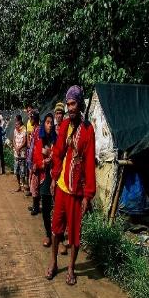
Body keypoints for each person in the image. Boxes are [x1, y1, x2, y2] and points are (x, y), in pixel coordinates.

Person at [46, 85, 96, 285]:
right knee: (56, 229)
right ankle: (53, 261)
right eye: (68, 104)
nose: (70, 107)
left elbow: (90, 163)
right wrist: (54, 177)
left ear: (80, 103)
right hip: (61, 188)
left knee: (74, 233)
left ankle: (71, 269)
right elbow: (58, 153)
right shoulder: (65, 124)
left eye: (73, 103)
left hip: (76, 191)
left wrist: (88, 195)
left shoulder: (87, 130)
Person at [33, 113, 57, 248]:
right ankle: (49, 235)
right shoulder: (39, 140)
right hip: (45, 178)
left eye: (51, 122)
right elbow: (37, 159)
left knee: (59, 210)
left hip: (57, 178)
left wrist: (50, 155)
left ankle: (59, 238)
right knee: (46, 210)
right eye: (48, 122)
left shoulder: (56, 139)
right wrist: (44, 161)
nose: (50, 125)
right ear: (44, 124)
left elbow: (60, 156)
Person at [53, 101, 68, 255]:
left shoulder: (66, 129)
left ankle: (61, 238)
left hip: (63, 173)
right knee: (54, 205)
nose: (58, 116)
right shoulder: (51, 129)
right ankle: (55, 235)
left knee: (62, 208)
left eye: (60, 113)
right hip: (52, 170)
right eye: (57, 113)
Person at [27, 111, 41, 215]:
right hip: (33, 161)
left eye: (31, 118)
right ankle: (34, 206)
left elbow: (38, 148)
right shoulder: (35, 130)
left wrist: (36, 162)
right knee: (33, 183)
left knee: (35, 185)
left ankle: (36, 208)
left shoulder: (38, 130)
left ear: (34, 119)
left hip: (36, 161)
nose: (30, 120)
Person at [13, 115, 27, 191]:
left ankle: (24, 186)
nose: (16, 123)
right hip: (16, 154)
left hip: (22, 154)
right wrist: (15, 148)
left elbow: (25, 141)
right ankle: (19, 185)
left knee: (23, 171)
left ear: (20, 121)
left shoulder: (24, 129)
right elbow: (13, 139)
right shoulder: (15, 130)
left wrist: (19, 148)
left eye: (17, 121)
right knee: (16, 171)